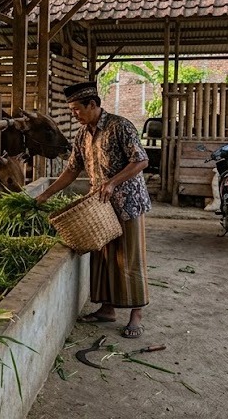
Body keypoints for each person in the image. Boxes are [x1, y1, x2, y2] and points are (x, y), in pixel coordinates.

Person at [35, 81, 151, 338]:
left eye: (77, 109)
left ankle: (136, 314)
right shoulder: (82, 134)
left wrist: (112, 182)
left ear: (93, 105)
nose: (74, 114)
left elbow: (141, 161)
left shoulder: (120, 126)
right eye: (71, 110)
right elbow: (72, 169)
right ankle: (107, 309)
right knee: (103, 257)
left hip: (128, 203)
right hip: (98, 206)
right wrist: (45, 194)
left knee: (129, 257)